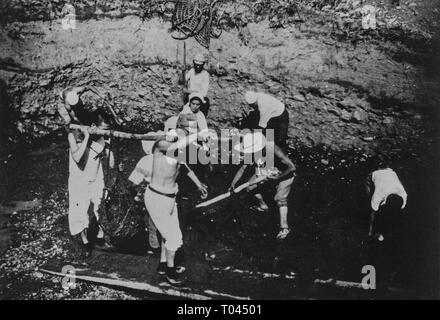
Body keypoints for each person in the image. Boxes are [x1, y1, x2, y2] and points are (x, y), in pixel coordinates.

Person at [142, 130, 208, 285]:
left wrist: (198, 185)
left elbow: (185, 168)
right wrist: (195, 136)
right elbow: (173, 146)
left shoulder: (177, 153)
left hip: (171, 199)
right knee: (174, 237)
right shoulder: (159, 148)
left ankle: (163, 266)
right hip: (156, 198)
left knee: (168, 234)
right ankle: (170, 274)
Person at [229, 132, 296, 240]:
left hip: (284, 174)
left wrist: (277, 178)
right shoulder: (253, 153)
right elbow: (243, 168)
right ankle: (263, 205)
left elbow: (292, 167)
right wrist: (233, 184)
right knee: (250, 188)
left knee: (279, 198)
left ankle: (284, 227)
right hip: (267, 169)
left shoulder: (274, 150)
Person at [67, 122, 115, 258]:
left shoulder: (99, 138)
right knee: (79, 211)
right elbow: (77, 157)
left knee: (100, 206)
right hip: (79, 179)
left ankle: (100, 238)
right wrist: (87, 136)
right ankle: (86, 243)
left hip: (95, 176)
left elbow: (108, 156)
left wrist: (109, 155)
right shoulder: (73, 135)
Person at [365, 166, 407, 238]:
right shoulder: (379, 193)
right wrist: (370, 232)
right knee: (369, 199)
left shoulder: (403, 195)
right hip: (375, 175)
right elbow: (373, 213)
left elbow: (400, 212)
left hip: (390, 173)